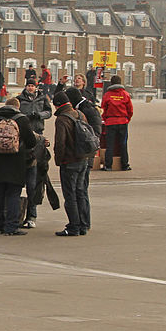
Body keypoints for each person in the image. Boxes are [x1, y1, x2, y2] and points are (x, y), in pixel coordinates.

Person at [0, 97, 37, 235]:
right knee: (13, 194)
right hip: (15, 162)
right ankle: (11, 227)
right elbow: (32, 142)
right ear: (17, 107)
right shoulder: (22, 120)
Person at [51, 90, 91, 237]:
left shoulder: (62, 119)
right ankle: (83, 224)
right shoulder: (80, 114)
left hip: (70, 161)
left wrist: (58, 160)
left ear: (57, 105)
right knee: (80, 192)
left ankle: (73, 226)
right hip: (83, 158)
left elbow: (60, 143)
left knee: (70, 195)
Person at [17, 78, 52, 228]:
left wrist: (39, 115)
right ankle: (17, 213)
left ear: (36, 87)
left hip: (38, 134)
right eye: (28, 85)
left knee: (34, 182)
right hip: (23, 136)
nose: (30, 88)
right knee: (19, 181)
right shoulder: (19, 99)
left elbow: (49, 112)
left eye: (32, 86)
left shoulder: (42, 98)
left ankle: (32, 215)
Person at [65, 85, 100, 233]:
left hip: (85, 154)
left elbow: (94, 134)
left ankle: (83, 222)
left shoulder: (86, 110)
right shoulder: (88, 107)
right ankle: (83, 222)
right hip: (87, 153)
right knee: (81, 190)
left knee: (81, 190)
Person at [100, 75, 133, 171]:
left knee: (110, 144)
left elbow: (103, 109)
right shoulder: (125, 94)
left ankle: (108, 165)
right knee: (123, 144)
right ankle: (125, 165)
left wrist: (105, 119)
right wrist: (127, 119)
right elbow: (130, 110)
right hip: (123, 121)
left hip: (111, 122)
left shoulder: (107, 95)